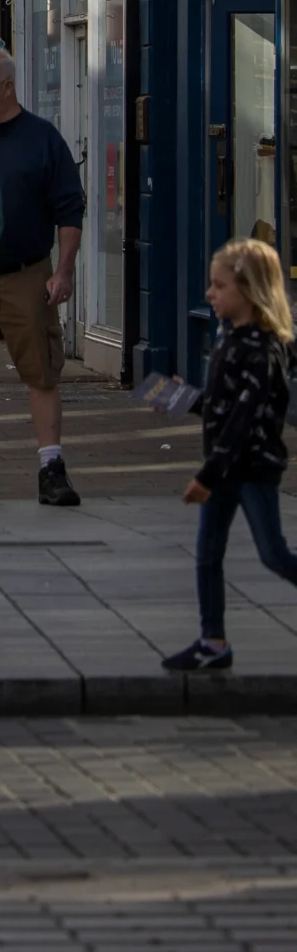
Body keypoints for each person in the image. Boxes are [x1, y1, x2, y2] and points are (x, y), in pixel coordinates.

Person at [0, 46, 86, 508]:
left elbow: (69, 210)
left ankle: (51, 468)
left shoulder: (42, 140)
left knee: (42, 374)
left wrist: (63, 271)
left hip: (29, 274)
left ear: (7, 85)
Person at [164, 237, 297, 675]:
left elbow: (244, 422)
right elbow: (221, 404)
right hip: (222, 468)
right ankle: (212, 642)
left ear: (249, 291)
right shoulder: (228, 338)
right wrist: (182, 398)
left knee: (273, 553)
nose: (210, 294)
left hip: (250, 469)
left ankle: (212, 640)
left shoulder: (263, 350)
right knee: (207, 553)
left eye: (219, 286)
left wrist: (206, 475)